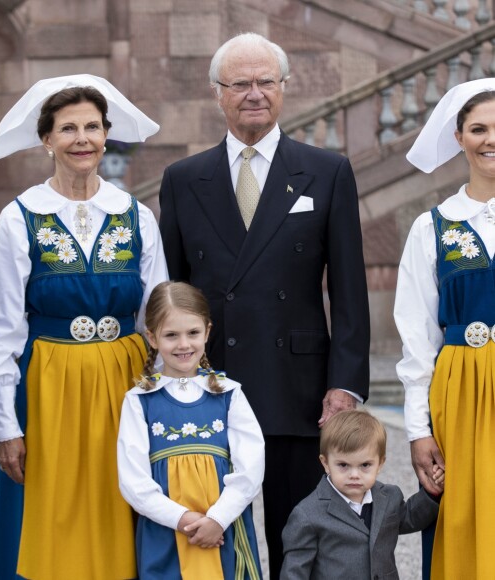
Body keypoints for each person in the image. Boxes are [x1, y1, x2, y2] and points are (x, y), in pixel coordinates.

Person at [158, 32, 370, 576]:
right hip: (209, 387)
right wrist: (172, 378)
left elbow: (349, 293)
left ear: (284, 89)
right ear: (217, 93)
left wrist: (343, 384)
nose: (254, 93)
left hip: (297, 388)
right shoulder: (184, 180)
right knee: (210, 533)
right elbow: (173, 293)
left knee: (296, 536)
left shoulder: (327, 171)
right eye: (240, 84)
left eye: (265, 82)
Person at [0, 74, 168, 580]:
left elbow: (159, 313)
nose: (82, 138)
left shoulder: (135, 215)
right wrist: (6, 425)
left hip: (123, 384)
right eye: (67, 128)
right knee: (49, 512)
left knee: (124, 502)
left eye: (92, 126)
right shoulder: (21, 218)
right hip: (47, 386)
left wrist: (164, 394)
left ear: (107, 134)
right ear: (47, 139)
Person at [395, 78, 495, 580]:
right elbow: (416, 337)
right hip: (460, 392)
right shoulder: (432, 227)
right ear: (459, 137)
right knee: (462, 511)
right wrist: (417, 429)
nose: (489, 139)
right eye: (478, 128)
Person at [117, 281, 264, 579]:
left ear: (207, 332)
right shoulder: (139, 399)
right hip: (166, 531)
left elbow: (251, 467)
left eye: (193, 333)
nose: (184, 344)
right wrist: (181, 518)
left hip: (222, 530)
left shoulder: (228, 393)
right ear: (152, 337)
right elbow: (133, 479)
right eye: (171, 335)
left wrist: (217, 520)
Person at [280, 410, 442, 580]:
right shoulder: (308, 514)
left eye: (365, 465)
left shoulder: (389, 497)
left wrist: (432, 492)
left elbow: (409, 517)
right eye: (343, 465)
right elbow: (294, 573)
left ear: (380, 464)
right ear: (326, 463)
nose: (354, 474)